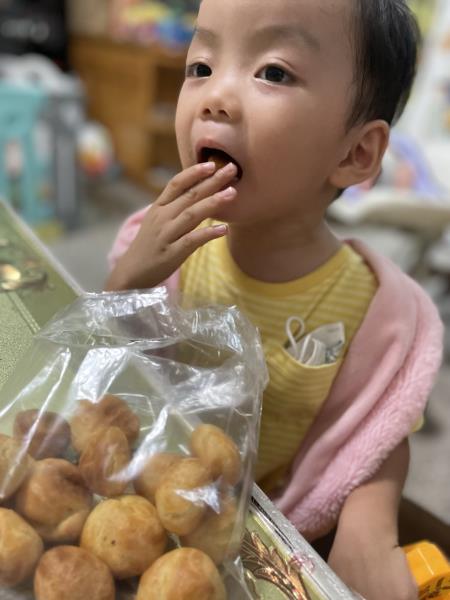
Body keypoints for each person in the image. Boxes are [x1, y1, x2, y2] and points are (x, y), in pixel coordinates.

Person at [106, 1, 443, 598]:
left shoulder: (378, 311)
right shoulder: (158, 250)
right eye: (201, 65)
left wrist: (369, 527)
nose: (215, 97)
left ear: (354, 154)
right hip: (149, 499)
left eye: (274, 72)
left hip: (279, 532)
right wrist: (128, 282)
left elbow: (381, 425)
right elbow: (104, 363)